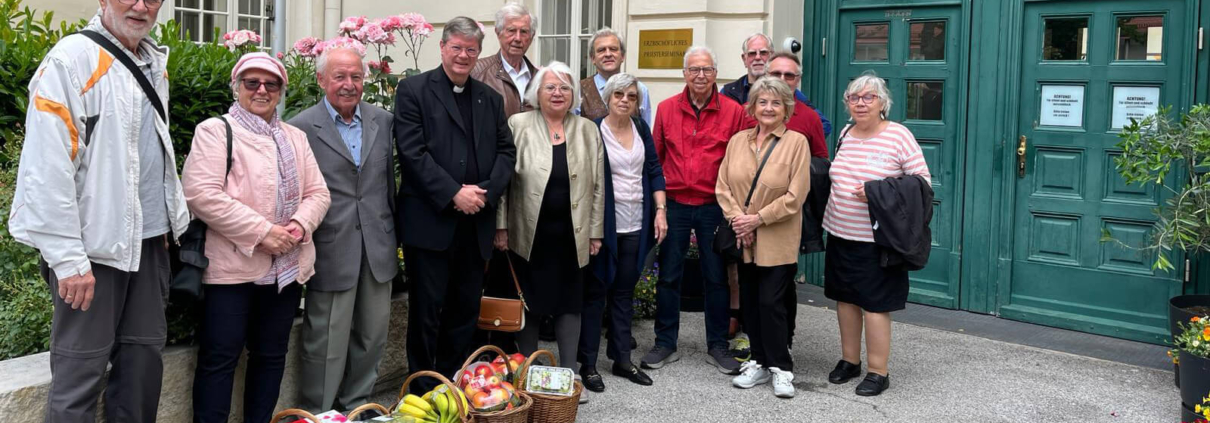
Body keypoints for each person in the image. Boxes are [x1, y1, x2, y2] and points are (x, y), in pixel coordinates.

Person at [8, 1, 188, 420]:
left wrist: (165, 219)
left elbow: (145, 153)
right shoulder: (72, 60)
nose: (142, 6)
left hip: (148, 246)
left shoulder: (152, 60)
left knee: (142, 373)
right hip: (92, 253)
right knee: (78, 379)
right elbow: (46, 169)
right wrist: (68, 259)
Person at [183, 52, 332, 423]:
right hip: (232, 270)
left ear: (281, 91)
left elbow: (319, 193)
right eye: (252, 82)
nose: (261, 90)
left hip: (284, 270)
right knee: (220, 359)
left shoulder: (295, 137)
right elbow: (201, 194)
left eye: (271, 84)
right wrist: (263, 232)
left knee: (270, 356)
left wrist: (299, 225)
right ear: (237, 88)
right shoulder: (216, 131)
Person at [395, 16, 516, 393]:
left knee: (465, 311)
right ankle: (421, 388)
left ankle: (451, 382)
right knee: (427, 311)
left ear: (479, 53)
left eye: (471, 49)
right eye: (457, 48)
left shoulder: (489, 99)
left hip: (474, 222)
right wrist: (453, 193)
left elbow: (506, 152)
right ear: (443, 48)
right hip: (431, 222)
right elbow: (412, 153)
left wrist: (483, 192)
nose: (463, 55)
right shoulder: (413, 90)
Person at [288, 40, 397, 413]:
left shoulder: (383, 120)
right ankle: (318, 413)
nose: (349, 83)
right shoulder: (300, 127)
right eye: (339, 76)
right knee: (326, 341)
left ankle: (357, 406)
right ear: (321, 80)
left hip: (378, 246)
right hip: (331, 247)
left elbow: (387, 185)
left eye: (356, 75)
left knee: (372, 335)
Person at [643, 46, 752, 375]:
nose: (700, 75)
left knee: (716, 278)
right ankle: (665, 342)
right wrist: (658, 207)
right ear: (684, 74)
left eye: (706, 69)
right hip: (675, 204)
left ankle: (717, 345)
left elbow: (740, 163)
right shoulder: (665, 109)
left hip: (713, 206)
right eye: (694, 70)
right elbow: (655, 161)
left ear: (716, 73)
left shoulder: (734, 112)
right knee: (669, 276)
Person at [494, 60, 604, 383]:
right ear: (536, 93)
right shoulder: (518, 124)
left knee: (570, 305)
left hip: (572, 233)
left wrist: (595, 232)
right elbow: (503, 182)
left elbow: (597, 187)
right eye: (550, 87)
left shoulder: (587, 130)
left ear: (573, 95)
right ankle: (530, 374)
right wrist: (501, 226)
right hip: (527, 233)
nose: (558, 93)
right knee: (529, 303)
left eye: (565, 87)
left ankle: (569, 377)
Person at [823, 73, 931, 397]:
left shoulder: (898, 136)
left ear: (883, 103)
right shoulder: (845, 133)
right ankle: (849, 360)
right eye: (854, 98)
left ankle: (878, 371)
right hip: (841, 233)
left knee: (874, 305)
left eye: (868, 97)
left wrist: (876, 192)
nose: (860, 103)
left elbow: (922, 184)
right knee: (845, 299)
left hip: (878, 240)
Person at [718, 77, 811, 399]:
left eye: (775, 103)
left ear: (786, 109)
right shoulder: (737, 141)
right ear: (752, 107)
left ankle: (782, 367)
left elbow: (795, 195)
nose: (768, 108)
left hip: (778, 237)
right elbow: (723, 186)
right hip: (744, 238)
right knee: (752, 303)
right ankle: (758, 359)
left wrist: (758, 219)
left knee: (773, 303)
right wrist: (738, 221)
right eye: (762, 102)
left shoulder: (796, 142)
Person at [578, 73, 666, 392]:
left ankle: (621, 359)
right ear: (608, 98)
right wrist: (591, 228)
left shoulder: (641, 128)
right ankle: (587, 364)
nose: (625, 100)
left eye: (631, 96)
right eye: (619, 95)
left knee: (624, 293)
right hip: (605, 227)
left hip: (637, 224)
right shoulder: (594, 130)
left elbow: (654, 170)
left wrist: (660, 210)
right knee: (596, 293)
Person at [722, 33, 832, 137]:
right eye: (752, 53)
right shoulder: (728, 91)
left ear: (772, 56)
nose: (757, 57)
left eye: (763, 53)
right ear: (744, 59)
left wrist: (791, 142)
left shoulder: (787, 90)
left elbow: (824, 125)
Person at [573, 27, 653, 127]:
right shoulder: (579, 90)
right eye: (601, 50)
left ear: (622, 56)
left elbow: (645, 131)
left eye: (613, 49)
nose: (608, 54)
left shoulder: (640, 89)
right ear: (593, 58)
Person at [471, 2, 538, 117]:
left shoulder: (540, 78)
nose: (517, 38)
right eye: (511, 30)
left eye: (524, 32)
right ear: (498, 32)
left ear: (531, 36)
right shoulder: (477, 72)